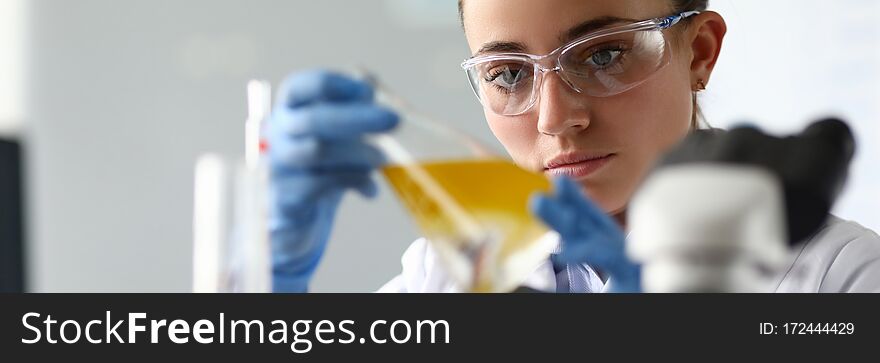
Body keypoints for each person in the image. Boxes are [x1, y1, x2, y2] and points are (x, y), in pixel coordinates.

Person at [267, 0, 880, 293]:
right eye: (508, 73)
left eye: (604, 54)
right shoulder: (446, 276)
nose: (556, 118)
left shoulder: (840, 276)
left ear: (698, 53)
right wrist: (276, 283)